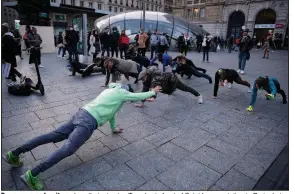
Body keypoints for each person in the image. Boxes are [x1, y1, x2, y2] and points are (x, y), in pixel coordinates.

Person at [4, 83, 162, 190]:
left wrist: (114, 129)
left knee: (51, 135)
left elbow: (111, 114)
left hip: (81, 113)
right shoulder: (122, 93)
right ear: (125, 90)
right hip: (88, 123)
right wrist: (152, 92)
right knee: (68, 149)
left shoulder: (110, 91)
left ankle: (14, 154)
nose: (127, 96)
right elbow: (134, 97)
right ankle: (32, 174)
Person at [134, 66, 203, 108]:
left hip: (172, 79)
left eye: (143, 78)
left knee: (185, 88)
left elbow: (155, 85)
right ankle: (172, 90)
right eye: (142, 79)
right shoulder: (146, 80)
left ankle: (199, 95)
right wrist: (142, 103)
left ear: (146, 75)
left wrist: (152, 97)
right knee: (167, 89)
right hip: (164, 84)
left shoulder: (155, 75)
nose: (143, 80)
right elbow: (144, 90)